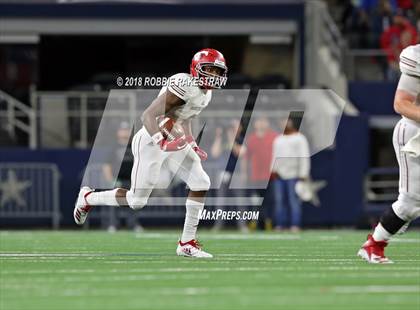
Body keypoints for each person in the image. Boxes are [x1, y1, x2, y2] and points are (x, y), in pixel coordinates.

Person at [74, 48, 228, 258]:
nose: (214, 76)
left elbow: (186, 116)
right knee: (137, 201)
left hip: (173, 136)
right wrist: (161, 141)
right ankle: (89, 197)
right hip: (150, 139)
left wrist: (191, 142)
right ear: (196, 69)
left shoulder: (206, 94)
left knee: (201, 182)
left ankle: (187, 243)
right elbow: (148, 115)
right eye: (210, 70)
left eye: (218, 72)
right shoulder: (184, 85)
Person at [358, 44, 420, 263]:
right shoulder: (417, 57)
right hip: (415, 134)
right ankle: (373, 245)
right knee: (410, 203)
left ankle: (398, 221)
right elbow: (401, 103)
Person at [101, 121, 143, 233]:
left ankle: (133, 224)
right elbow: (106, 165)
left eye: (127, 130)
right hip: (117, 180)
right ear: (118, 132)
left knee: (133, 203)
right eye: (123, 130)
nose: (125, 133)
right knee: (114, 203)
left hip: (131, 181)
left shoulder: (134, 147)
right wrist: (110, 180)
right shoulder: (113, 148)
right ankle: (113, 224)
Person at [271, 119, 310, 232]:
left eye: (286, 121)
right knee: (279, 201)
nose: (284, 124)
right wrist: (273, 170)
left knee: (294, 201)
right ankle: (280, 224)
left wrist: (303, 173)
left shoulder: (300, 138)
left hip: (294, 175)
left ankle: (295, 224)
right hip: (279, 175)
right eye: (282, 121)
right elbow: (274, 156)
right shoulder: (278, 139)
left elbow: (304, 156)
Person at [210, 119, 248, 232]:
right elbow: (214, 153)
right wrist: (218, 137)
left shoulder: (241, 140)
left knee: (240, 201)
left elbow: (240, 153)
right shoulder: (222, 140)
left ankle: (242, 225)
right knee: (220, 201)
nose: (233, 130)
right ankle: (218, 225)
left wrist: (232, 139)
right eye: (231, 127)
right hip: (222, 173)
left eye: (235, 127)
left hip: (236, 173)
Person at [244, 116, 278, 230]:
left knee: (269, 201)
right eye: (259, 121)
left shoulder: (274, 137)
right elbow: (246, 158)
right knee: (255, 201)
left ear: (268, 123)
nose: (261, 124)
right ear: (255, 124)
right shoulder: (251, 139)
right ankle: (254, 223)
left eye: (264, 121)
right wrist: (244, 173)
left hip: (270, 176)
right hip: (255, 177)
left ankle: (269, 223)